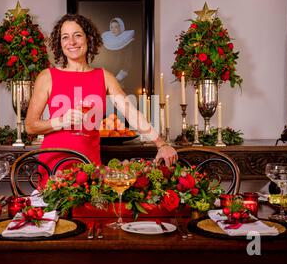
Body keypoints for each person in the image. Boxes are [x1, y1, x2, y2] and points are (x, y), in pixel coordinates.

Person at [25, 13, 177, 187]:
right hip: (54, 168)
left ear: (88, 38)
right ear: (59, 43)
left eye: (77, 35)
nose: (71, 42)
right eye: (65, 37)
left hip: (90, 169)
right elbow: (30, 126)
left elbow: (131, 113)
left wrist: (161, 143)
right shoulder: (47, 76)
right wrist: (60, 121)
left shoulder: (104, 76)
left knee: (90, 214)